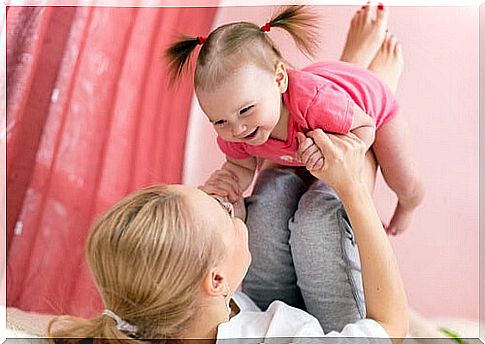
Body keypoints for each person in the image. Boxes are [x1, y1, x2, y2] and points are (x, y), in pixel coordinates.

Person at [48, 129, 408, 341]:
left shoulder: (165, 313)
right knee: (318, 221)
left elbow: (205, 250)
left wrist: (217, 221)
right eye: (220, 210)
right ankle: (355, 109)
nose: (225, 201)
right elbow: (393, 329)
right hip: (322, 327)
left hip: (256, 304)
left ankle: (319, 108)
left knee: (269, 201)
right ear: (216, 278)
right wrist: (356, 191)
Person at [165, 4, 425, 235]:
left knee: (404, 179)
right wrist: (229, 184)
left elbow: (365, 127)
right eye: (219, 122)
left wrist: (337, 148)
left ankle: (409, 202)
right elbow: (242, 166)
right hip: (313, 117)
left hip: (368, 104)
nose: (237, 128)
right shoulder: (240, 128)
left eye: (245, 110)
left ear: (279, 79)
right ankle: (351, 64)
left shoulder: (314, 104)